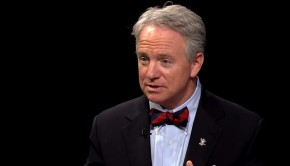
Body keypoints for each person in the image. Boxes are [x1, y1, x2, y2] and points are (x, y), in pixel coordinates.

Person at [84, 3, 266, 166]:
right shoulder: (106, 127)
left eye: (165, 61)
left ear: (195, 64)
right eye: (144, 59)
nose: (151, 73)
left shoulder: (243, 129)